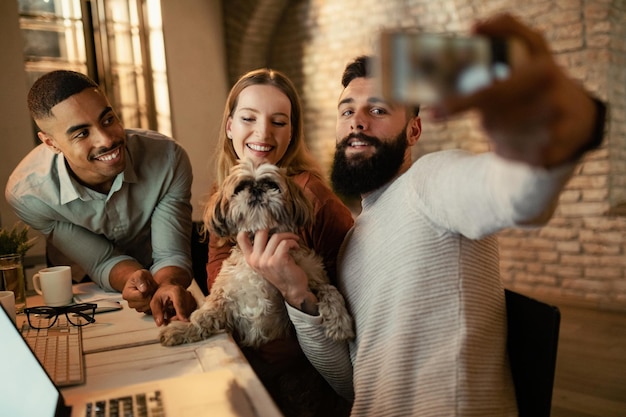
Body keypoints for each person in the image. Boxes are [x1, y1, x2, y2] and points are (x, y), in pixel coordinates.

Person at [236, 14, 606, 417]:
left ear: (413, 131)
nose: (357, 120)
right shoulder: (351, 244)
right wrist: (297, 294)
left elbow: (518, 195)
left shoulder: (430, 182)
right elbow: (351, 382)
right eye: (347, 111)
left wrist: (562, 123)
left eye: (378, 109)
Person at [204, 68, 354, 417]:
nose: (263, 133)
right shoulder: (224, 194)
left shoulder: (313, 198)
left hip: (309, 382)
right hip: (245, 365)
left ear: (292, 134)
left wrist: (293, 347)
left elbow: (352, 301)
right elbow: (216, 280)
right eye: (248, 118)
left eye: (279, 122)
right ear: (230, 126)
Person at [5, 70, 197, 327]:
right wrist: (134, 281)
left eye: (107, 120)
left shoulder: (168, 159)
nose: (106, 140)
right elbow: (101, 259)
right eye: (81, 134)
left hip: (161, 271)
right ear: (51, 143)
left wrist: (167, 286)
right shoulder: (30, 195)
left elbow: (170, 252)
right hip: (82, 288)